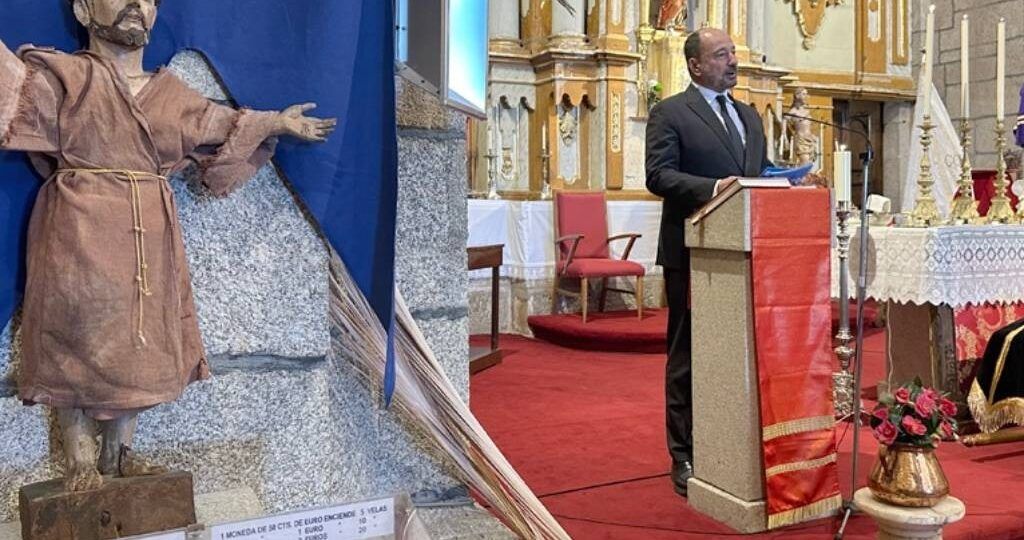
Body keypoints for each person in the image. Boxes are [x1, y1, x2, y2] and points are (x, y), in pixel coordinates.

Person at [0, 0, 336, 491]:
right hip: (77, 227)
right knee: (72, 329)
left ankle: (119, 454)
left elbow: (219, 123)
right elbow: (14, 101)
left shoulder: (169, 94)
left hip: (149, 232)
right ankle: (79, 461)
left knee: (145, 337)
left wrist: (276, 123)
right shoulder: (64, 77)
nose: (137, 5)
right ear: (83, 7)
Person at [645, 27, 770, 497]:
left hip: (745, 251)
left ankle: (732, 442)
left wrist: (793, 179)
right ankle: (684, 453)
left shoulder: (748, 116)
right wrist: (714, 188)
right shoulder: (671, 112)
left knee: (739, 353)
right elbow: (659, 175)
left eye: (734, 52)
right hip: (693, 250)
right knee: (687, 355)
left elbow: (759, 174)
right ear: (695, 65)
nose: (733, 61)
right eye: (721, 55)